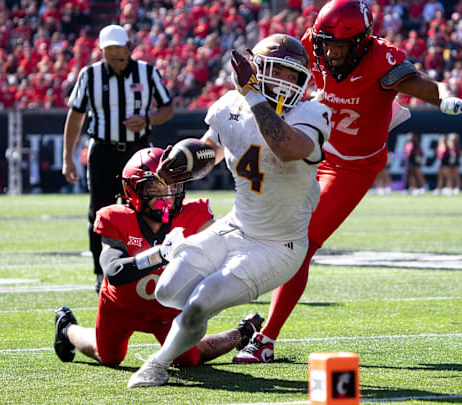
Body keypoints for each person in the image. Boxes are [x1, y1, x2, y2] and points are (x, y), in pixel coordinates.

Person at [234, 0, 462, 363]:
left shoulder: (381, 58)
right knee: (261, 228)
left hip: (353, 167)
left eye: (338, 45)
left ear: (361, 42)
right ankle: (238, 318)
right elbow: (286, 74)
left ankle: (266, 338)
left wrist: (445, 97)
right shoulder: (313, 43)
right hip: (313, 148)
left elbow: (420, 83)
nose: (329, 51)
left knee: (303, 244)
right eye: (325, 43)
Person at [126, 33, 331, 387]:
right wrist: (185, 165)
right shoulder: (228, 107)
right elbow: (210, 153)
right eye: (278, 71)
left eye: (293, 75)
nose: (286, 81)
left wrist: (253, 94)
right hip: (236, 226)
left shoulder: (313, 112)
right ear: (257, 69)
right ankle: (198, 313)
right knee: (167, 292)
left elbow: (286, 148)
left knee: (201, 303)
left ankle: (158, 364)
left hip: (279, 245)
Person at [53, 147, 264, 367]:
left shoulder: (194, 215)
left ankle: (242, 332)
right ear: (133, 190)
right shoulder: (115, 218)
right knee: (109, 356)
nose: (167, 195)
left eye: (172, 185)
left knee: (188, 359)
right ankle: (67, 328)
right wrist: (160, 254)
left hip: (166, 310)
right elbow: (113, 271)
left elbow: (224, 251)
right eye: (155, 187)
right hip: (120, 307)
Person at [62, 24, 174, 293]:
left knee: (147, 209)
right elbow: (75, 115)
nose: (113, 54)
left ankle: (152, 266)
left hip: (138, 152)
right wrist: (68, 156)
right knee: (99, 213)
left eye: (117, 49)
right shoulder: (90, 75)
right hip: (102, 150)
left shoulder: (147, 73)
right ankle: (101, 273)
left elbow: (167, 108)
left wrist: (147, 119)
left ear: (128, 47)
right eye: (108, 50)